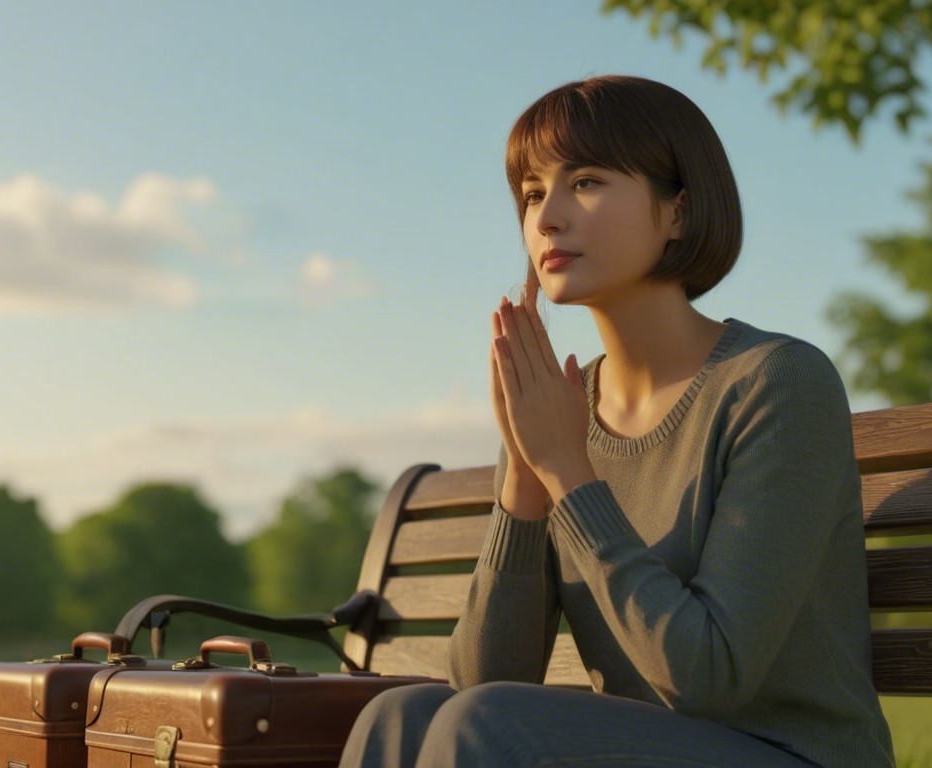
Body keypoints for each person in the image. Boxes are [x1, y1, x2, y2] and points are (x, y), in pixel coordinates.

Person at [339, 75, 895, 767]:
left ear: (679, 211)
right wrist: (527, 479)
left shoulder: (776, 382)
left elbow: (708, 675)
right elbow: (483, 681)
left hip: (789, 754)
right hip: (634, 750)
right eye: (532, 194)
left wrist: (568, 471)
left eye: (586, 182)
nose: (547, 218)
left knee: (485, 725)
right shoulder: (559, 411)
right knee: (399, 716)